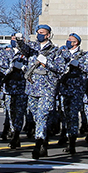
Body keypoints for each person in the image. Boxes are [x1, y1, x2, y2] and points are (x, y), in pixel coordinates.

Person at [23, 24, 66, 159]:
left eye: (42, 32)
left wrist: (46, 63)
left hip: (47, 88)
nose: (39, 34)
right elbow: (24, 49)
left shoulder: (55, 51)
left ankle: (39, 144)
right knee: (36, 117)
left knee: (42, 115)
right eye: (38, 32)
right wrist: (19, 42)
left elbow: (61, 68)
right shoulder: (32, 48)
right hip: (32, 87)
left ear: (48, 35)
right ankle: (44, 139)